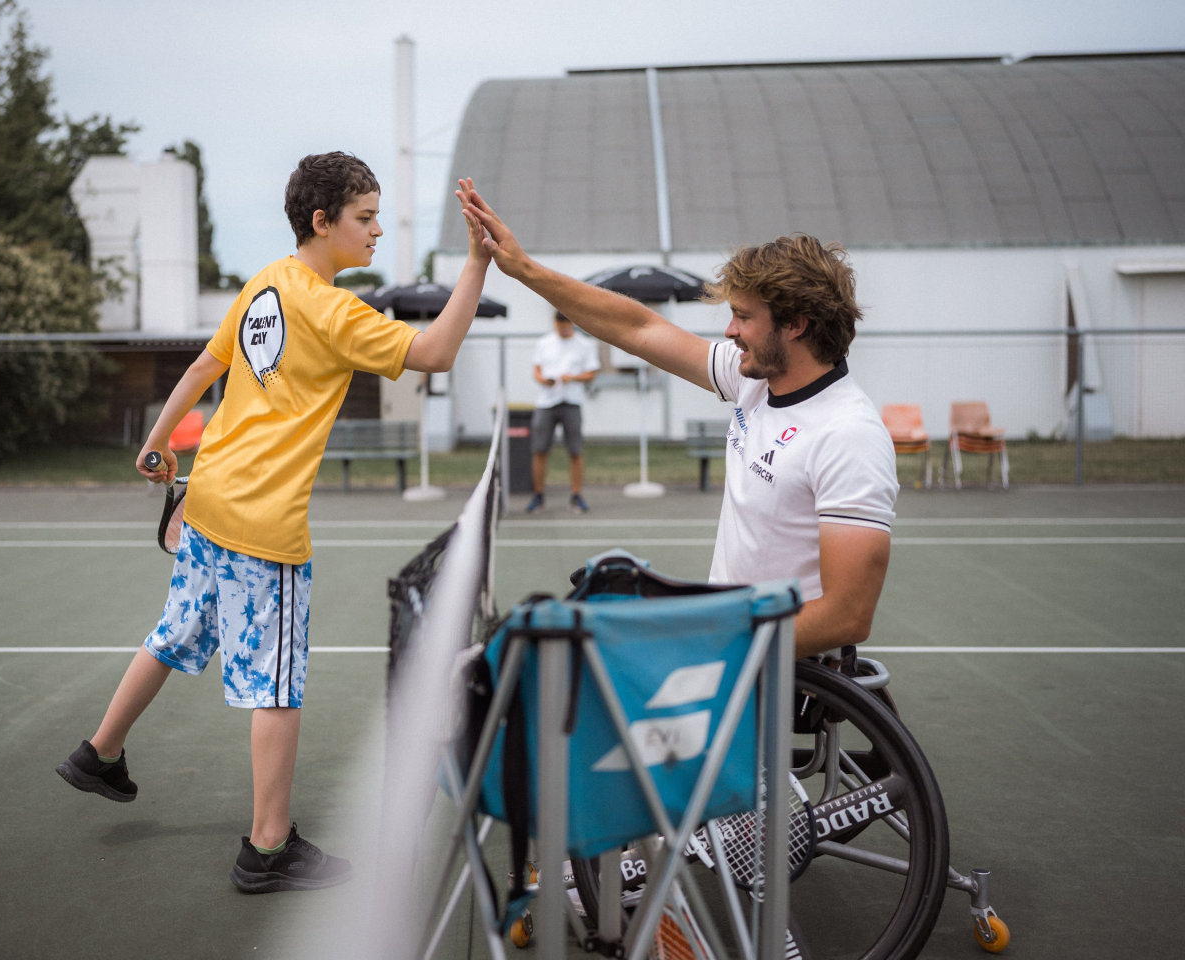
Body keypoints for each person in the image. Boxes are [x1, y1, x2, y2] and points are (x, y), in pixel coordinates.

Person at [56, 154, 492, 893]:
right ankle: (267, 848)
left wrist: (157, 443)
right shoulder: (335, 312)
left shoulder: (265, 283)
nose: (377, 230)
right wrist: (478, 263)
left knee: (174, 633)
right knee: (276, 686)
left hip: (208, 503)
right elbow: (438, 352)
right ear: (322, 222)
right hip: (264, 526)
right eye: (365, 217)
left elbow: (203, 367)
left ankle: (99, 751)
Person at [461, 186, 897, 659]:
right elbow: (639, 328)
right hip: (732, 645)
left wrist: (710, 640)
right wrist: (524, 269)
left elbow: (847, 616)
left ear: (796, 325)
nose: (730, 331)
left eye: (743, 317)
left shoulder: (848, 434)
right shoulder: (752, 379)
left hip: (776, 669)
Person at [527, 312, 600, 513]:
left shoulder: (585, 344)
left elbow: (591, 374)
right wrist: (543, 380)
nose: (563, 329)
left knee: (575, 450)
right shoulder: (543, 343)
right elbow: (536, 371)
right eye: (559, 325)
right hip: (546, 403)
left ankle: (576, 496)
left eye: (566, 325)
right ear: (555, 323)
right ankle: (538, 495)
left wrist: (572, 378)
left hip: (572, 402)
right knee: (539, 450)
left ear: (572, 323)